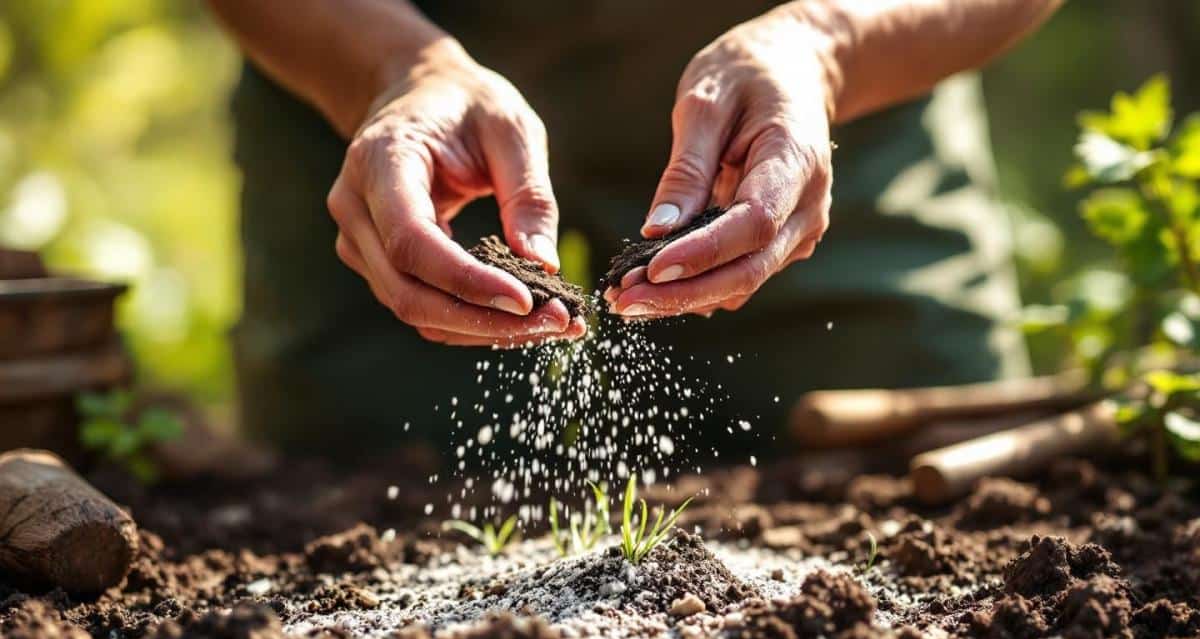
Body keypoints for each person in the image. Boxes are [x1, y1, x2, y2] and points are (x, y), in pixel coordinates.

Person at [206, 1, 1061, 459]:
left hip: (827, 95)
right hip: (383, 95)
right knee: (346, 480)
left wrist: (829, 44)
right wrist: (397, 67)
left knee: (903, 472)